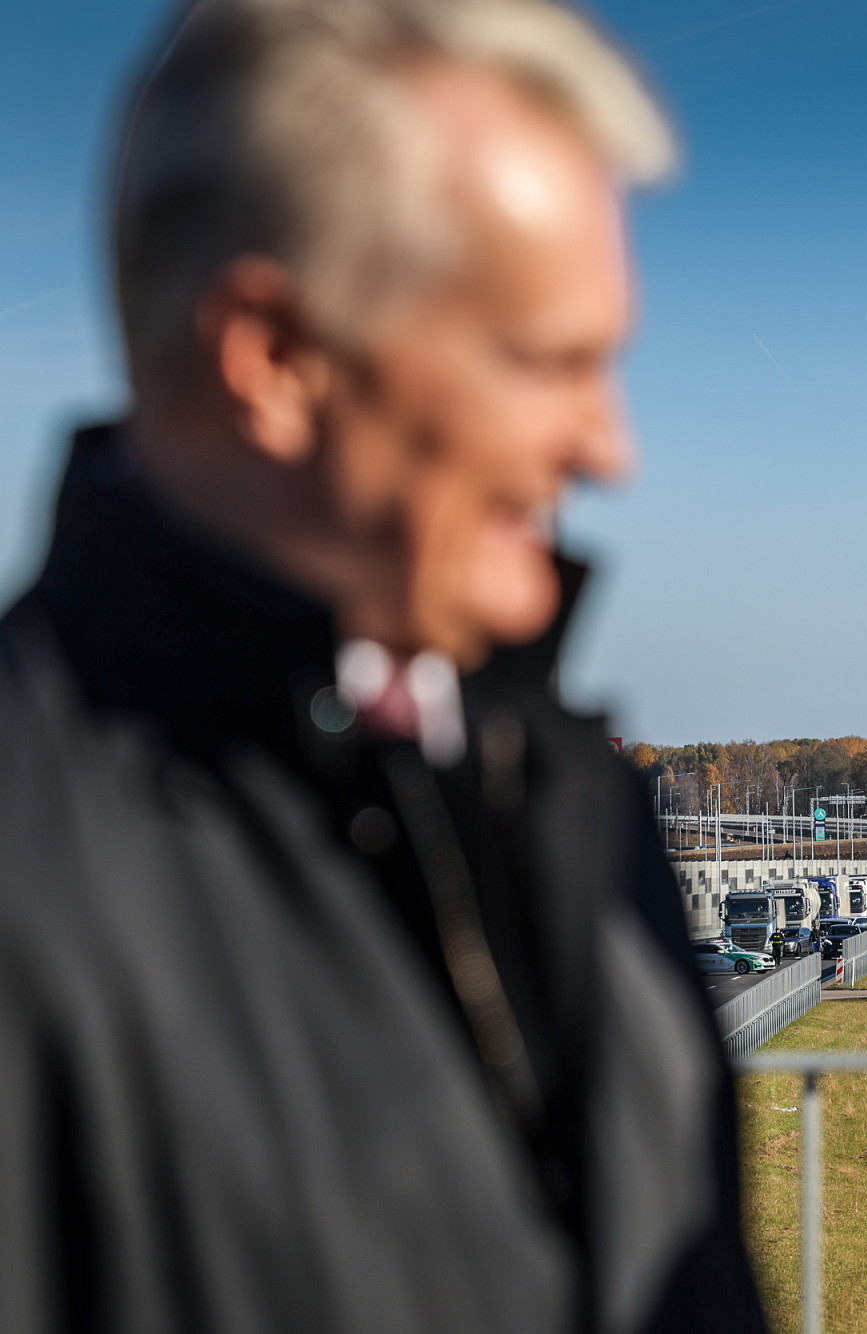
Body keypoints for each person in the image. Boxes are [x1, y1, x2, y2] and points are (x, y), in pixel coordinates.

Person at [0, 1, 767, 1330]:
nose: (607, 448)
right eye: (548, 361)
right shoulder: (37, 867)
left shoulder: (575, 801)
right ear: (278, 359)